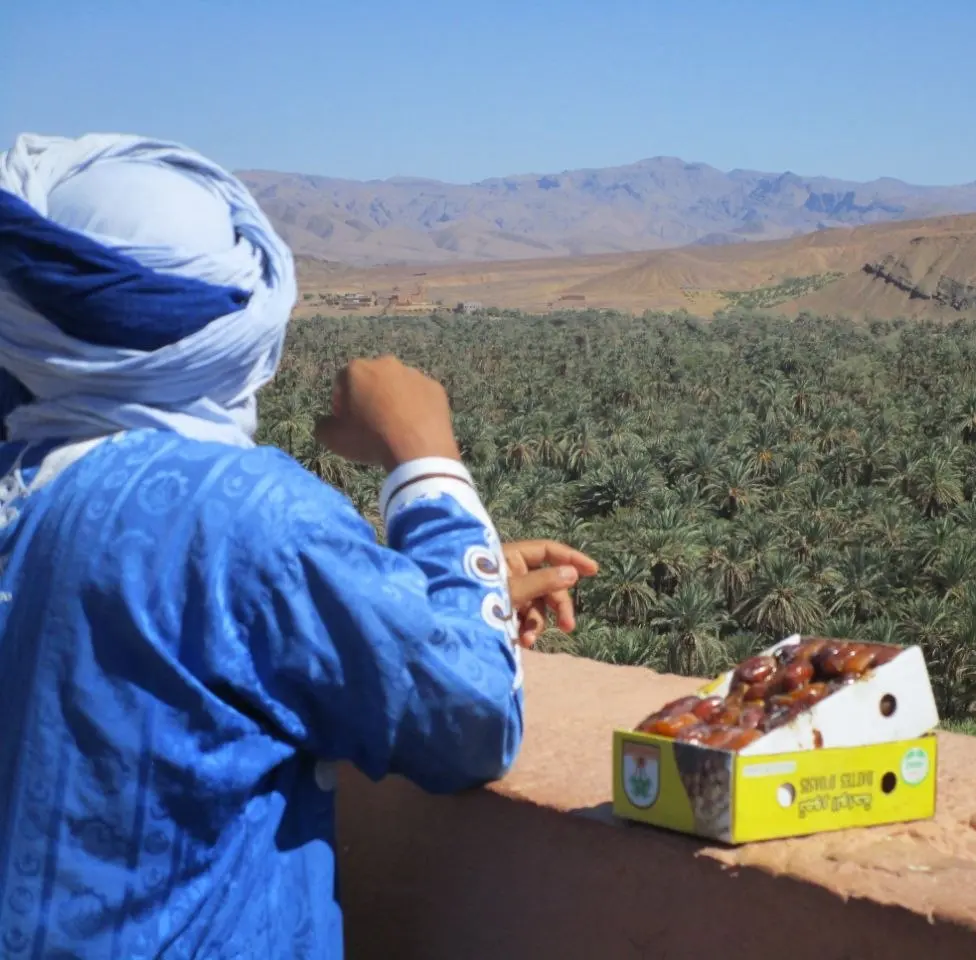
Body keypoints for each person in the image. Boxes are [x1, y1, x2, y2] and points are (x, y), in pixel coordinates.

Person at [0, 132, 596, 959]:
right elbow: (471, 718)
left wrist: (445, 587)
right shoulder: (241, 516)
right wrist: (426, 462)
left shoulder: (31, 475)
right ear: (237, 331)